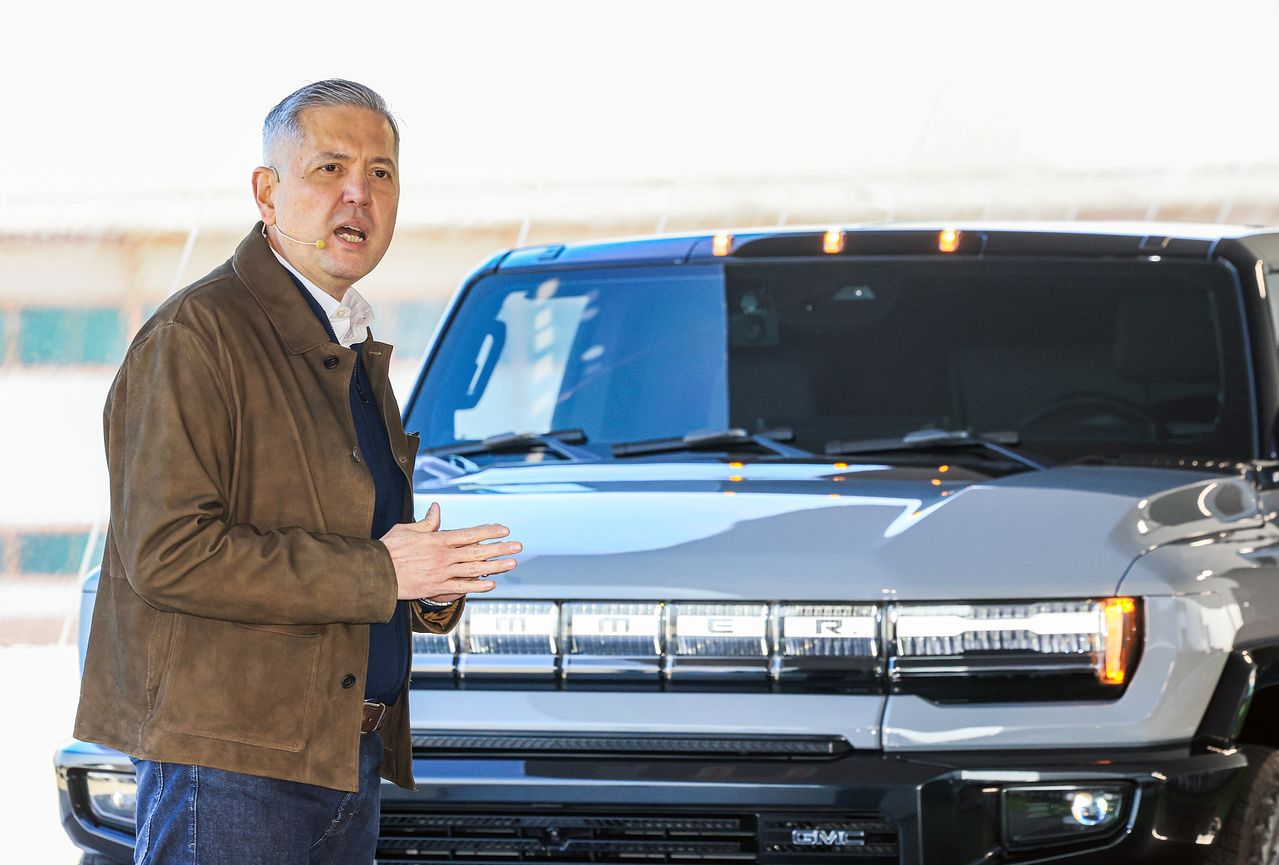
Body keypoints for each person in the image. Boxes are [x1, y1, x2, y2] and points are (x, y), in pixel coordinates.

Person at [73, 79, 519, 864]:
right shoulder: (199, 333)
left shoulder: (342, 337)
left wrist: (425, 585)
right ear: (266, 193)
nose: (359, 195)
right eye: (329, 169)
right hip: (232, 764)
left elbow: (344, 540)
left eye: (381, 174)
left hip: (341, 756)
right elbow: (168, 551)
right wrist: (383, 569)